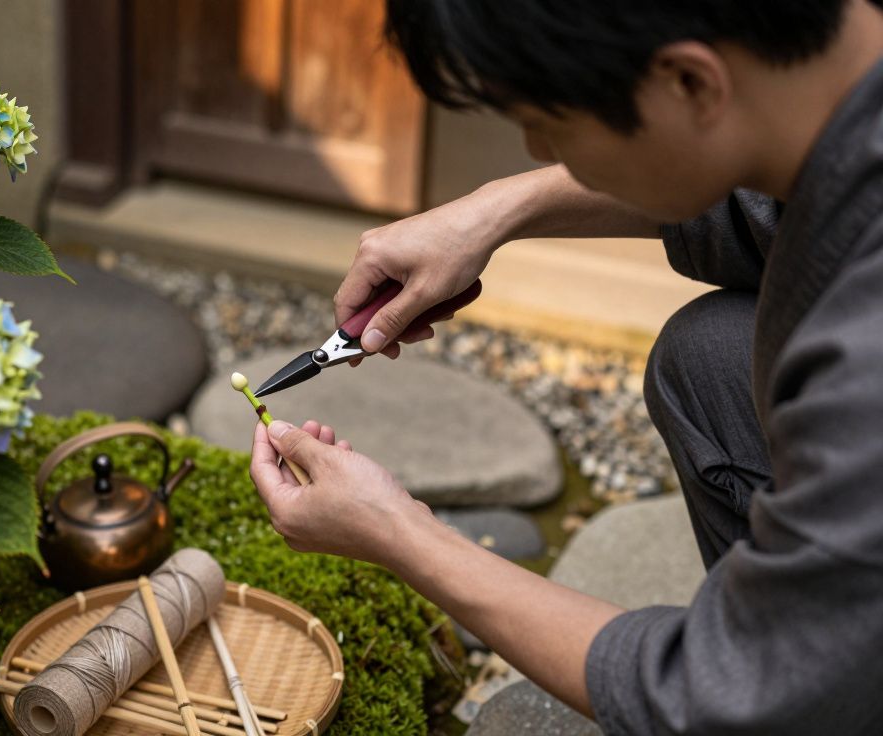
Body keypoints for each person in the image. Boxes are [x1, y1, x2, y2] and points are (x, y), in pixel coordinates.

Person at [247, 1, 883, 733]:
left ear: (688, 83)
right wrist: (495, 212)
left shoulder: (863, 341)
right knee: (711, 360)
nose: (540, 150)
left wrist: (397, 532)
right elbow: (757, 208)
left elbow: (716, 696)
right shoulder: (839, 93)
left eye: (548, 122)